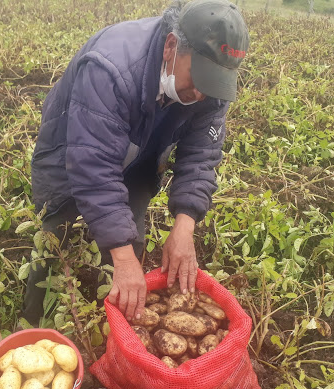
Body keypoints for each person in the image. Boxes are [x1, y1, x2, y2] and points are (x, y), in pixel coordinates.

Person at [22, 0, 249, 325]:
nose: (201, 94)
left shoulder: (211, 91)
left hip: (143, 151)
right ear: (171, 46)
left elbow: (201, 155)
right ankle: (30, 322)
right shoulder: (111, 67)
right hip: (73, 144)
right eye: (199, 78)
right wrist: (122, 253)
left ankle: (106, 321)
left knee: (130, 240)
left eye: (213, 84)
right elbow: (92, 166)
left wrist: (185, 225)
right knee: (54, 236)